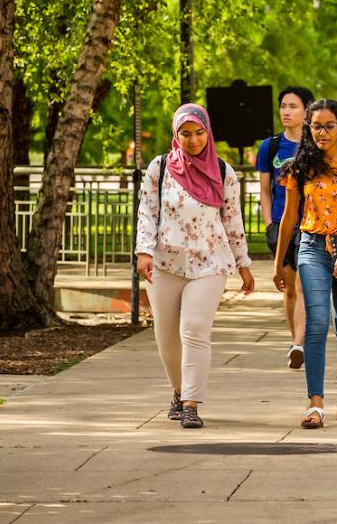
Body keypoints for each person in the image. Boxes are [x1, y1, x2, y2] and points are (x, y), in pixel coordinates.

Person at [136, 103, 255, 429]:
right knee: (166, 336)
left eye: (199, 133)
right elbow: (147, 211)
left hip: (210, 262)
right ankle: (178, 390)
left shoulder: (223, 171)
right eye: (185, 134)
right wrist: (143, 251)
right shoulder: (159, 168)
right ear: (176, 135)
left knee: (194, 328)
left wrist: (243, 264)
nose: (193, 140)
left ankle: (191, 403)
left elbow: (232, 219)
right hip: (164, 262)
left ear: (208, 132)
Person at [273, 99, 337, 429]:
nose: (322, 132)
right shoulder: (299, 166)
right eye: (315, 126)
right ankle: (315, 402)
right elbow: (289, 218)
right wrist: (278, 265)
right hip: (312, 248)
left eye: (328, 126)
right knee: (316, 324)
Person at [255, 86, 315, 369]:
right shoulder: (271, 146)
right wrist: (270, 224)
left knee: (304, 286)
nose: (286, 111)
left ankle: (299, 343)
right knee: (289, 289)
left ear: (307, 110)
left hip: (311, 225)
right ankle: (296, 342)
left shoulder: (316, 143)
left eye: (293, 106)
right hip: (282, 225)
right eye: (283, 106)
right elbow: (265, 190)